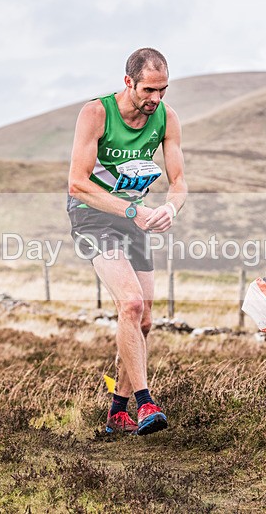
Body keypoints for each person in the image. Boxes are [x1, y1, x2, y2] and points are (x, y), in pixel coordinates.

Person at [67, 47, 188, 435]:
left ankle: (116, 409)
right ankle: (145, 403)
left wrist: (171, 208)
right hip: (92, 214)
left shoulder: (167, 119)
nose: (156, 98)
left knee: (146, 320)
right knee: (131, 303)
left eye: (163, 90)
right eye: (149, 90)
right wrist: (132, 211)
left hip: (134, 216)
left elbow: (179, 182)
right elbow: (77, 183)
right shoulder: (96, 113)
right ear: (128, 82)